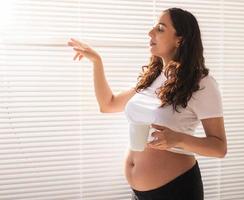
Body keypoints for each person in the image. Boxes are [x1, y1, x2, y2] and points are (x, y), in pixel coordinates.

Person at [68, 7, 227, 200]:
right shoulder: (153, 77)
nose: (150, 33)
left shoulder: (202, 83)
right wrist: (97, 62)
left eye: (160, 28)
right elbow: (108, 104)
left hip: (176, 191)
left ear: (180, 39)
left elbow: (219, 148)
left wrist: (177, 138)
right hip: (138, 193)